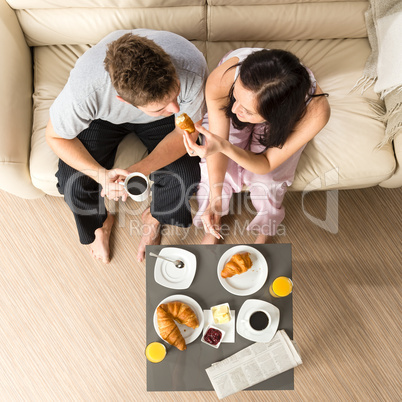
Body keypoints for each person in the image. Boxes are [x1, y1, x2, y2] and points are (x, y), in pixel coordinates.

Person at [46, 29, 208, 263]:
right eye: (163, 106)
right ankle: (100, 224)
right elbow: (55, 137)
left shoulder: (191, 69)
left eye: (176, 95)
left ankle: (154, 218)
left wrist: (141, 168)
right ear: (123, 100)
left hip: (158, 123)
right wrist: (101, 176)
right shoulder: (86, 90)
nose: (175, 109)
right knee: (73, 182)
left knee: (185, 173)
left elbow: (185, 129)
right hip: (103, 119)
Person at [183, 48, 330, 244]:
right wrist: (215, 199)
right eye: (237, 98)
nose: (234, 110)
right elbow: (217, 144)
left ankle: (266, 228)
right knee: (213, 172)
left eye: (246, 110)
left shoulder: (315, 113)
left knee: (270, 179)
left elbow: (266, 164)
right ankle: (214, 219)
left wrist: (225, 147)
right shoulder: (223, 81)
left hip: (283, 113)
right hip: (247, 92)